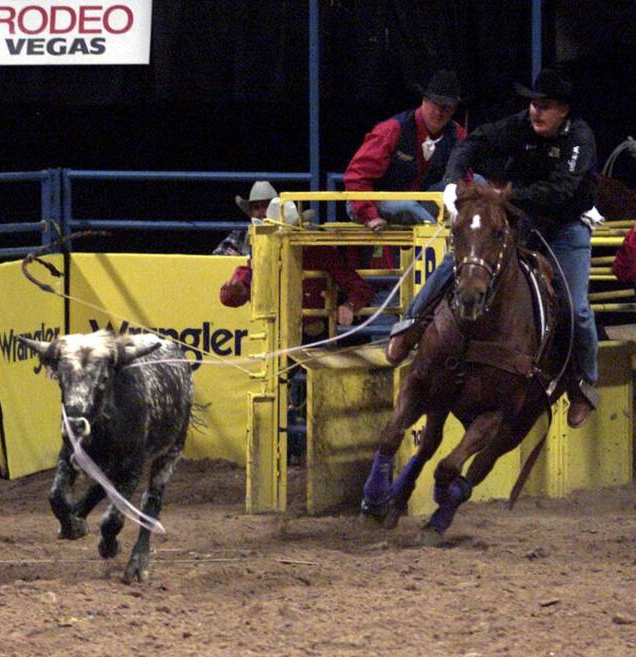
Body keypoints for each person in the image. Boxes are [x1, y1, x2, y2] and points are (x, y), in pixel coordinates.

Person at [384, 68, 601, 428]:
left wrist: (505, 197)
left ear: (563, 110)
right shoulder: (520, 125)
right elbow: (472, 144)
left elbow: (562, 191)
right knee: (462, 262)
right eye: (533, 105)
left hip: (565, 228)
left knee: (576, 308)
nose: (536, 112)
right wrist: (453, 182)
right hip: (522, 221)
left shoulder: (579, 138)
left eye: (544, 106)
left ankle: (584, 384)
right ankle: (409, 327)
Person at [217, 182, 373, 339]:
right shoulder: (259, 256)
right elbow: (233, 294)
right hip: (277, 335)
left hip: (312, 335)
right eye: (256, 207)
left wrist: (349, 306)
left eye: (266, 206)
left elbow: (358, 287)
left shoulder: (318, 251)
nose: (262, 213)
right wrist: (231, 293)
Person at [344, 69, 467, 231]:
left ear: (453, 110)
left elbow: (466, 177)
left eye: (447, 108)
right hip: (370, 200)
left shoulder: (457, 135)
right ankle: (441, 241)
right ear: (424, 101)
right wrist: (370, 214)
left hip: (420, 200)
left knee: (475, 183)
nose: (439, 113)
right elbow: (356, 177)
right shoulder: (393, 130)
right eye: (435, 104)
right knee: (409, 207)